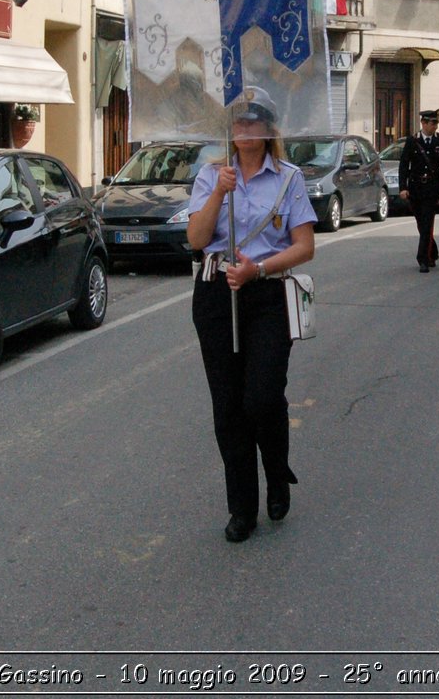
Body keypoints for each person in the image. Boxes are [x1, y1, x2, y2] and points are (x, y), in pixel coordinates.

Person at [186, 90, 317, 543]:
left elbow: (305, 245)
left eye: (253, 122)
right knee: (228, 409)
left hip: (267, 294)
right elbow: (197, 239)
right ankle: (241, 507)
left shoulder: (288, 179)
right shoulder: (210, 176)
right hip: (216, 294)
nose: (244, 130)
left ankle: (277, 474)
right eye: (237, 123)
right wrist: (218, 194)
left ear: (268, 130)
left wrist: (258, 268)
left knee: (261, 397)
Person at [398, 110, 439, 273]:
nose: (434, 126)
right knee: (421, 223)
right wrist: (403, 187)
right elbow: (404, 165)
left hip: (432, 188)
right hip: (415, 188)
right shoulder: (412, 141)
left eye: (436, 123)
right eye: (432, 123)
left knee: (427, 222)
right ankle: (432, 251)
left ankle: (423, 259)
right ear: (423, 123)